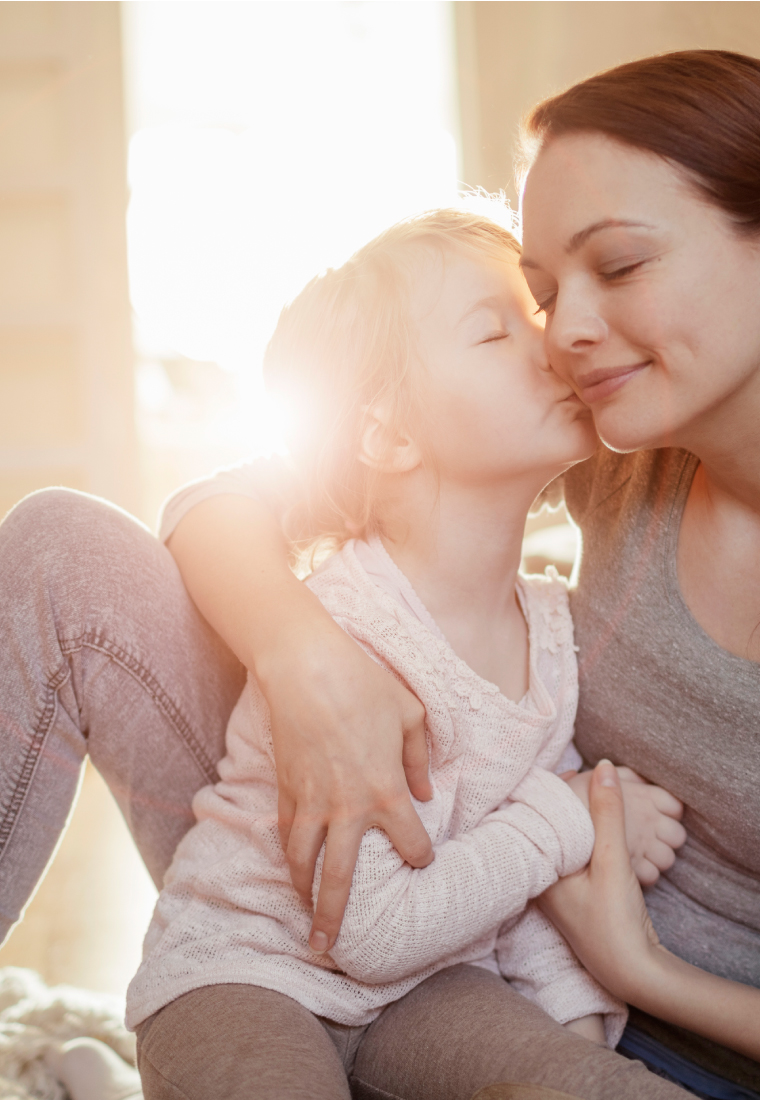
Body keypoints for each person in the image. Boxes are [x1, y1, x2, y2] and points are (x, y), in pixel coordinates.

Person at [0, 50, 760, 1100]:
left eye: (616, 267)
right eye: (539, 289)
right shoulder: (629, 450)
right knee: (64, 550)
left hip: (575, 1023)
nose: (563, 331)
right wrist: (305, 656)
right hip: (361, 908)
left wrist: (645, 972)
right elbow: (230, 497)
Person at [123, 209, 692, 1098]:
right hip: (249, 976)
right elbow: (379, 927)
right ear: (387, 434)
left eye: (534, 314)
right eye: (494, 330)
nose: (550, 345)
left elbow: (519, 885)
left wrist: (573, 1028)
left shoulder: (550, 627)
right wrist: (568, 817)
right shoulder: (348, 627)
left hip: (433, 991)